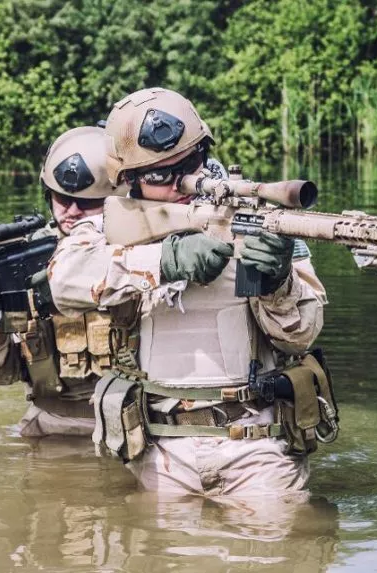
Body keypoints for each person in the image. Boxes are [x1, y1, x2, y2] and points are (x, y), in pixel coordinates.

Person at [48, 88, 331, 496]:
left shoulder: (258, 219)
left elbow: (302, 335)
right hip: (160, 450)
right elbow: (63, 279)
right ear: (127, 179)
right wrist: (163, 261)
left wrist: (277, 281)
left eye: (190, 164)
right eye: (161, 175)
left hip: (257, 446)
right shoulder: (114, 224)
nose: (183, 182)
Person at [0, 126, 126, 437]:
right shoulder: (25, 261)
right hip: (49, 426)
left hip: (132, 423)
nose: (72, 212)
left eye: (88, 203)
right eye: (62, 198)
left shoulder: (140, 258)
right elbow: (2, 375)